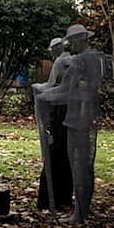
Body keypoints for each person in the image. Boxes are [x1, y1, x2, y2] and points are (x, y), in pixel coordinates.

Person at [37, 24, 103, 223]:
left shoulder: (80, 61)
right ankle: (83, 210)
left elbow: (65, 91)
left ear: (80, 40)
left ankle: (79, 214)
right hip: (90, 115)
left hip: (76, 117)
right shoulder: (96, 58)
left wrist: (42, 95)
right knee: (86, 164)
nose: (70, 45)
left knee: (78, 165)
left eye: (72, 41)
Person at [32, 37, 73, 210]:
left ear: (57, 48)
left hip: (62, 110)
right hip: (73, 110)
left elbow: (51, 85)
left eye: (52, 49)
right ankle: (64, 197)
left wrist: (36, 87)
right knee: (67, 154)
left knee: (55, 154)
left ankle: (50, 199)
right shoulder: (72, 60)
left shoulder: (60, 62)